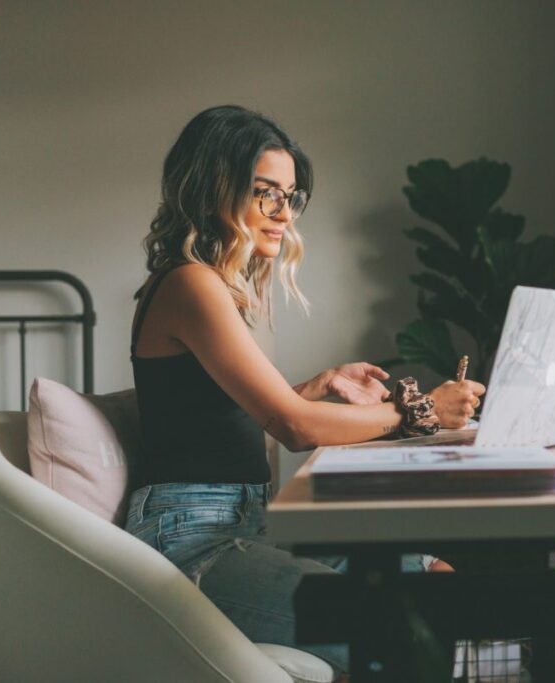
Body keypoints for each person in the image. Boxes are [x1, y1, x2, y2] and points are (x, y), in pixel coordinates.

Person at [123, 104, 485, 677]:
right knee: (404, 629)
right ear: (211, 187)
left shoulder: (213, 283)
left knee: (431, 574)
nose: (283, 214)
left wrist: (316, 387)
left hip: (248, 525)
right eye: (266, 192)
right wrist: (421, 411)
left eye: (290, 197)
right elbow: (292, 427)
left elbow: (217, 412)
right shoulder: (192, 283)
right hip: (193, 540)